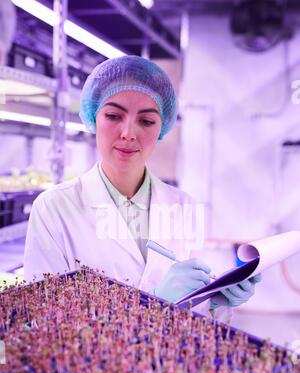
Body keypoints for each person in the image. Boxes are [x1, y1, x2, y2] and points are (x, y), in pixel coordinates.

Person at [24, 55, 261, 311]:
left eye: (146, 121)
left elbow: (188, 306)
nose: (128, 133)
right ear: (93, 118)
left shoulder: (182, 205)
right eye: (114, 116)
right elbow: (43, 317)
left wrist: (212, 298)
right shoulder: (54, 208)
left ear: (162, 128)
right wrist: (151, 303)